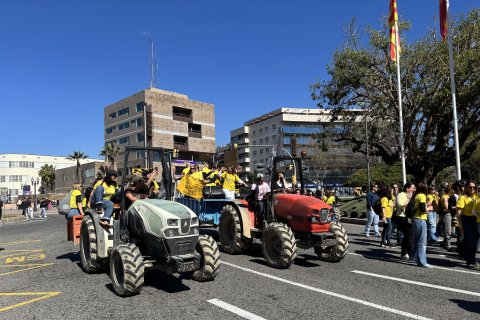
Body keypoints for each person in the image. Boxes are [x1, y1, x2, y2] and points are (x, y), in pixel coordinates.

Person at [456, 180, 479, 270]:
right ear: (466, 188)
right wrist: (461, 226)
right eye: (470, 187)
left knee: (475, 241)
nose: (472, 188)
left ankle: (468, 257)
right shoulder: (463, 198)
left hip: (476, 220)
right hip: (467, 220)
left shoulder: (476, 197)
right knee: (471, 242)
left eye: (474, 187)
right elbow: (458, 214)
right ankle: (470, 262)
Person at [411, 181, 431, 268]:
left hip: (415, 219)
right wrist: (430, 208)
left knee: (416, 240)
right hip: (420, 219)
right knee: (422, 242)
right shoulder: (422, 196)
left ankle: (414, 257)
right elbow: (423, 210)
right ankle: (421, 261)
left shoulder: (416, 195)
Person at [395, 182, 416, 259]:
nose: (414, 189)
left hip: (408, 217)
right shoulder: (401, 195)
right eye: (412, 188)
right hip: (402, 217)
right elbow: (401, 204)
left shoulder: (411, 195)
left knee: (407, 236)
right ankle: (411, 255)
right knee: (410, 235)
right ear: (407, 188)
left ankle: (404, 253)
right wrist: (409, 199)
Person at [439, 184, 453, 250]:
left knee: (445, 229)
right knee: (448, 230)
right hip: (447, 214)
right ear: (449, 190)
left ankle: (444, 242)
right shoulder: (445, 197)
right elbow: (447, 207)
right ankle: (448, 245)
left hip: (445, 214)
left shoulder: (445, 196)